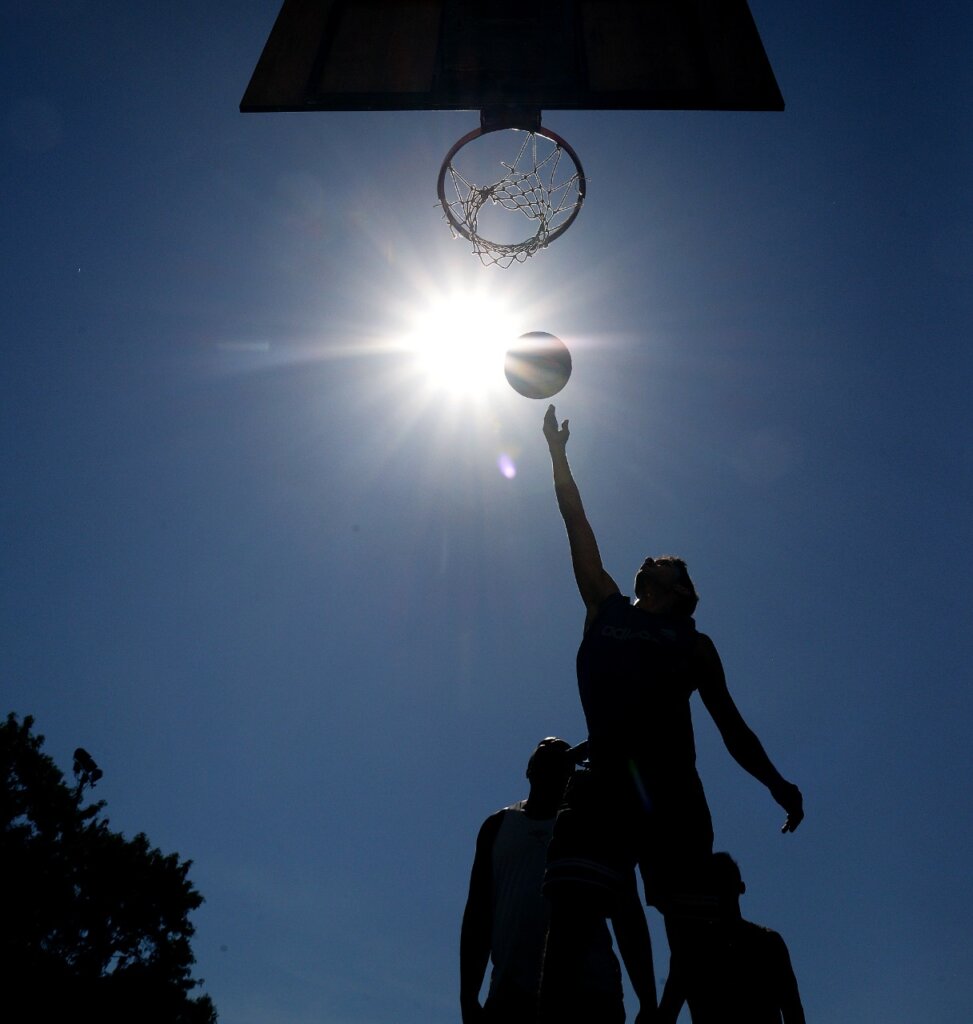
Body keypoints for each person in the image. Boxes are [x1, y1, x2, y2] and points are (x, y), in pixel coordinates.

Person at [537, 405, 803, 1018]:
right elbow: (575, 522)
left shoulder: (693, 644)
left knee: (696, 941)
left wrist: (775, 782)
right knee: (572, 919)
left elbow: (731, 726)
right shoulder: (607, 608)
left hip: (675, 799)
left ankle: (671, 1012)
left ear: (679, 590)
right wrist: (557, 454)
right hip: (605, 784)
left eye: (670, 562)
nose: (657, 558)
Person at [461, 738, 657, 1024]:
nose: (552, 757)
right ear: (529, 770)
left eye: (561, 757)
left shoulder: (594, 826)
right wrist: (468, 996)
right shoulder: (497, 826)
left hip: (590, 991)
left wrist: (648, 1000)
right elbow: (478, 914)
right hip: (511, 992)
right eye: (544, 755)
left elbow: (627, 913)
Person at [658, 852, 806, 1023]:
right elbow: (793, 1010)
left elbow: (793, 1010)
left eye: (722, 884)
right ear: (741, 888)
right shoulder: (768, 942)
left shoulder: (690, 951)